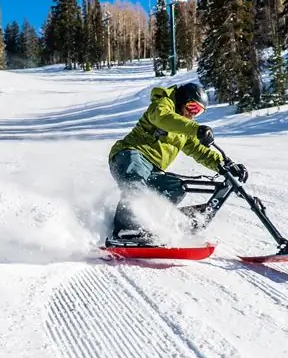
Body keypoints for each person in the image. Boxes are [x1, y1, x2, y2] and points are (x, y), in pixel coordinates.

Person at [105, 82, 247, 246]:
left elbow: (199, 150)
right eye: (192, 108)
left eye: (198, 112)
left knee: (176, 187)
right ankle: (126, 231)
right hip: (130, 154)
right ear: (182, 100)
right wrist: (195, 129)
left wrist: (224, 164)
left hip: (154, 169)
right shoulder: (162, 105)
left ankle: (151, 225)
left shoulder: (184, 129)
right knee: (136, 182)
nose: (193, 114)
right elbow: (163, 118)